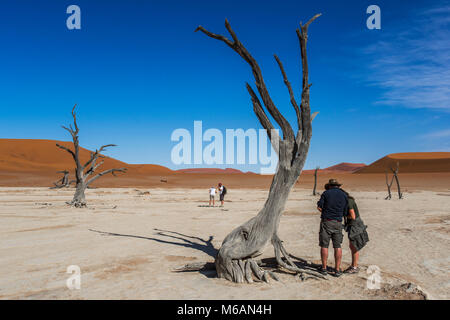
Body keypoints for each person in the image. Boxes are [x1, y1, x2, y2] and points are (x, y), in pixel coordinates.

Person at [316, 179, 348, 277]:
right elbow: (345, 211)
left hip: (326, 221)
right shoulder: (344, 195)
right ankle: (337, 270)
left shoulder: (326, 193)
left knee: (324, 245)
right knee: (337, 246)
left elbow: (319, 206)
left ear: (329, 185)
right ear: (338, 186)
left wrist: (325, 213)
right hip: (338, 222)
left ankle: (324, 268)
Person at [342, 191, 369, 274]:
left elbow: (353, 216)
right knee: (353, 246)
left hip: (355, 225)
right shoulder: (348, 200)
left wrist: (343, 214)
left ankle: (354, 267)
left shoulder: (349, 201)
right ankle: (354, 266)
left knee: (354, 246)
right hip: (353, 225)